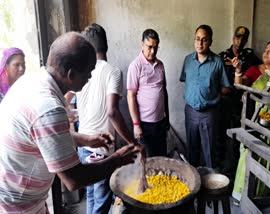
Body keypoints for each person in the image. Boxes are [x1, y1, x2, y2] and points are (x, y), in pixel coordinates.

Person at [0, 32, 139, 213]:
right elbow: (73, 179)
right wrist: (117, 160)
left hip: (22, 195)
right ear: (71, 75)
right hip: (17, 204)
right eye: (88, 74)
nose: (89, 78)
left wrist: (85, 140)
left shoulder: (31, 81)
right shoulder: (48, 108)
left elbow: (43, 136)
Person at [76, 23, 137, 213]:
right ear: (106, 45)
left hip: (82, 145)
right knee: (102, 202)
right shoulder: (112, 72)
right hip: (101, 148)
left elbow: (67, 102)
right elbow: (112, 112)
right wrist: (131, 142)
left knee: (92, 198)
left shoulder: (80, 72)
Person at [232, 41, 270, 202]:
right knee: (247, 155)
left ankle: (259, 197)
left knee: (266, 159)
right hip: (253, 122)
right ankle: (240, 194)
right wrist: (238, 71)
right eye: (266, 49)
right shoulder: (256, 72)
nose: (266, 52)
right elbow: (239, 85)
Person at [179, 24, 230, 168]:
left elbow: (227, 87)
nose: (200, 43)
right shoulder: (188, 60)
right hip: (190, 112)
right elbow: (185, 80)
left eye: (204, 40)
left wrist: (211, 95)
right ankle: (194, 181)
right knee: (192, 149)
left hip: (209, 113)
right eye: (197, 39)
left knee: (210, 151)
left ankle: (210, 182)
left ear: (210, 42)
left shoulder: (217, 62)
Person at [218, 26, 261, 175]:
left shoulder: (251, 58)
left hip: (242, 106)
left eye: (243, 38)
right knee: (222, 137)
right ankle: (223, 171)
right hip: (224, 104)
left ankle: (234, 172)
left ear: (247, 40)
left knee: (238, 141)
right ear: (233, 38)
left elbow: (258, 76)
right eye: (237, 37)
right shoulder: (222, 56)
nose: (240, 41)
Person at [127, 29, 169, 157]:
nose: (152, 51)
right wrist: (136, 125)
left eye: (155, 47)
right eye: (149, 47)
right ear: (142, 45)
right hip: (144, 125)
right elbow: (131, 96)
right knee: (148, 161)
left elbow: (164, 92)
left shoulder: (160, 65)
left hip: (160, 122)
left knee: (162, 158)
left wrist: (167, 117)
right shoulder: (135, 66)